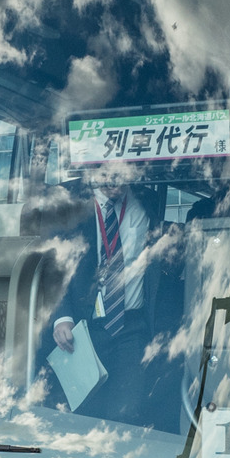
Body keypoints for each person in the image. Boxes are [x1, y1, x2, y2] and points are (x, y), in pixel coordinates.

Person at [49, 180, 183, 426]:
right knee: (82, 413)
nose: (115, 187)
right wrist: (62, 316)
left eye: (122, 178)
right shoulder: (69, 201)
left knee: (125, 412)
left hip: (132, 327)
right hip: (82, 330)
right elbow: (54, 266)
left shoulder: (147, 201)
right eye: (108, 179)